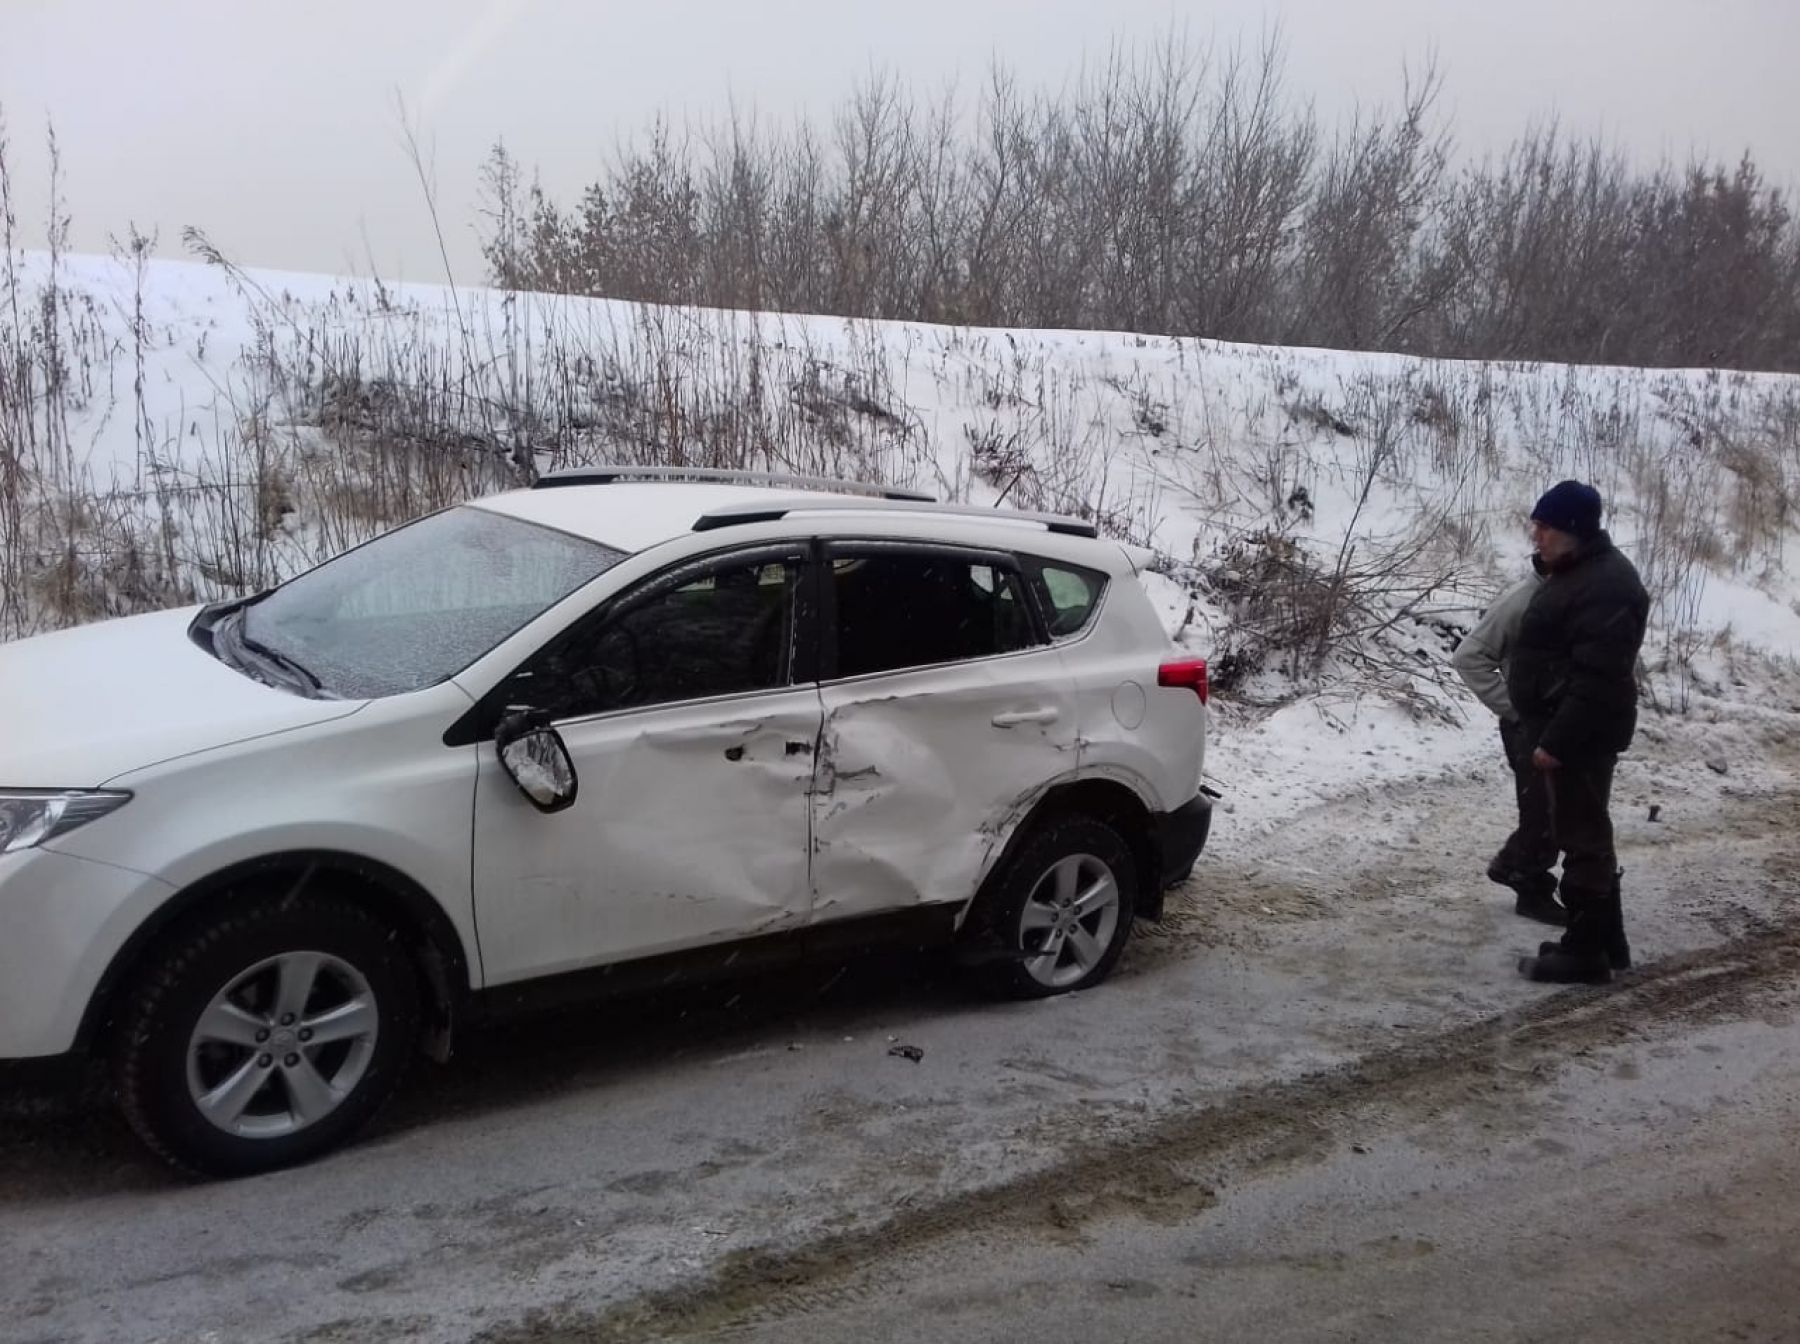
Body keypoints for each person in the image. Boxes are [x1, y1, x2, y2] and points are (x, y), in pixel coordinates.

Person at [1507, 481, 1650, 984]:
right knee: (1583, 829)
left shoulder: (1606, 584)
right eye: (1537, 524)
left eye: (1546, 526)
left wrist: (1556, 741)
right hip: (1570, 727)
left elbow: (1597, 676)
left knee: (1582, 836)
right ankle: (1607, 942)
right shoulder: (1581, 573)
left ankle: (1585, 950)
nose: (1537, 534)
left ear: (1573, 529)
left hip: (1581, 735)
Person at [1451, 555, 1561, 925]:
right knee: (1544, 811)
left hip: (1559, 723)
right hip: (1528, 728)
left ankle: (1515, 865)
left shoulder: (1570, 600)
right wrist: (1515, 710)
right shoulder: (1521, 601)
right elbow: (1469, 658)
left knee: (1556, 808)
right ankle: (1526, 882)